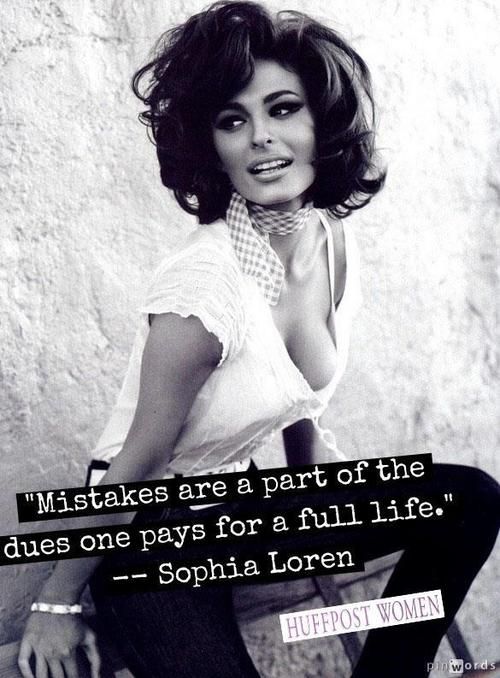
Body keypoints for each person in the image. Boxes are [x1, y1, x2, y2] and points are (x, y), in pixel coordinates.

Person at [18, 2, 499, 677]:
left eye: (282, 109)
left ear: (322, 121)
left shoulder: (330, 240)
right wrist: (58, 599)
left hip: (245, 508)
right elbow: (141, 456)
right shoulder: (203, 288)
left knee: (469, 500)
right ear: (210, 146)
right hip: (151, 535)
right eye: (232, 121)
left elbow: (299, 398)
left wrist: (316, 507)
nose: (260, 138)